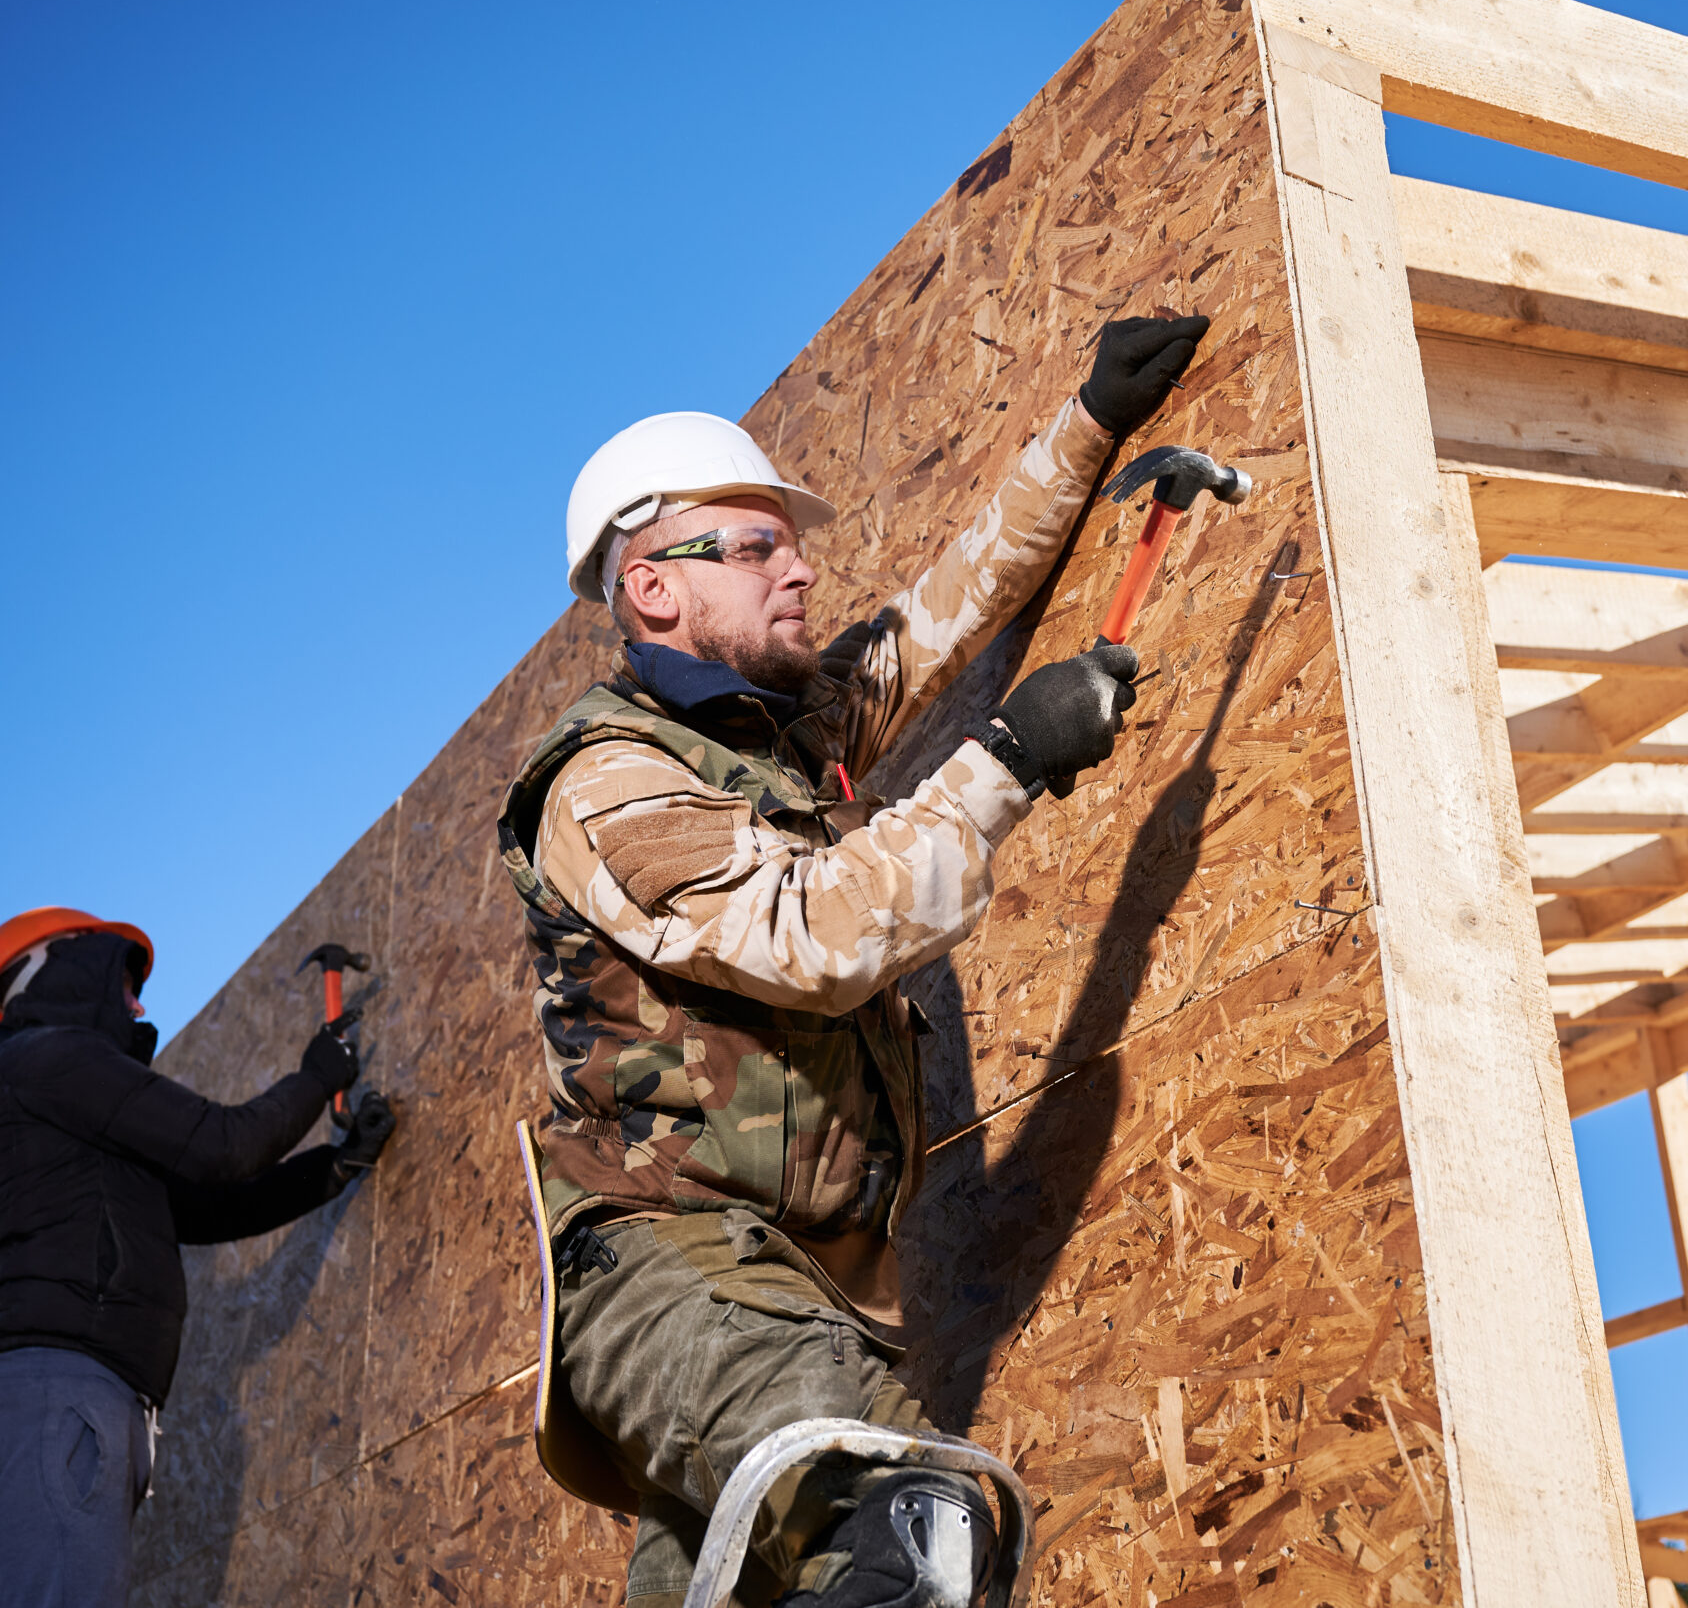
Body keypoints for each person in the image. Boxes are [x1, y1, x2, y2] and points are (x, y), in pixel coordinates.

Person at [497, 313, 1212, 1607]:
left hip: (788, 1291)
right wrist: (1006, 758)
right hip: (674, 1269)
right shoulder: (608, 781)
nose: (799, 570)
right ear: (653, 583)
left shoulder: (782, 735)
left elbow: (948, 609)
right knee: (913, 1529)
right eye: (759, 543)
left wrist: (1088, 423)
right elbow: (816, 933)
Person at [0, 906, 399, 1608]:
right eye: (124, 982)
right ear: (68, 963)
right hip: (60, 1404)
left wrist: (333, 1164)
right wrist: (315, 1075)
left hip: (58, 1411)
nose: (138, 1003)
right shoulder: (44, 1058)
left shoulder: (46, 1099)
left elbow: (205, 1204)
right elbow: (222, 1144)